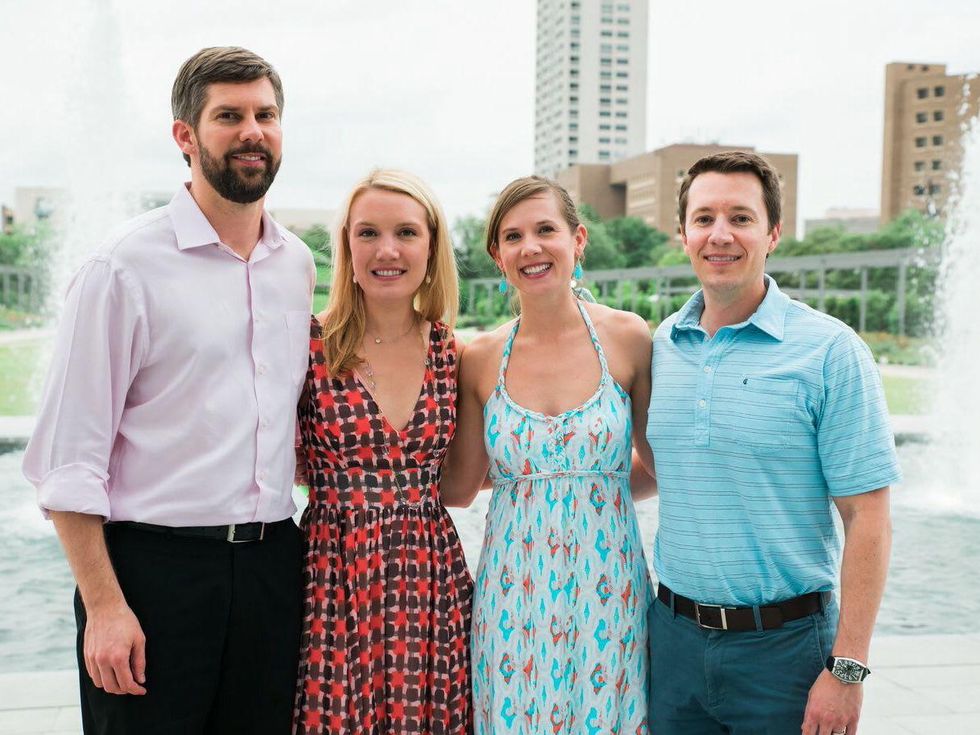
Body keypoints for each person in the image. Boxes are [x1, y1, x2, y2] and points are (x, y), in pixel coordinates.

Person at [22, 47, 316, 734]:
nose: (253, 132)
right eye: (229, 116)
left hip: (273, 568)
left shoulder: (296, 264)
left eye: (266, 114)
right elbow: (68, 461)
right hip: (153, 575)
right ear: (185, 135)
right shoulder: (121, 268)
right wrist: (104, 606)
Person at [643, 151, 900, 735]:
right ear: (683, 234)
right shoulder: (664, 346)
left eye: (741, 217)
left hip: (785, 655)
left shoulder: (831, 351)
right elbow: (663, 466)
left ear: (773, 233)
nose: (720, 235)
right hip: (673, 644)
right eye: (704, 218)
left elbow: (869, 517)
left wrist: (848, 668)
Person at [442, 176, 656, 735]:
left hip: (610, 588)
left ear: (577, 240)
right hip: (512, 593)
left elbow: (660, 465)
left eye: (545, 230)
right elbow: (460, 486)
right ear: (498, 255)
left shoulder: (629, 338)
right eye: (513, 237)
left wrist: (592, 482)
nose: (530, 247)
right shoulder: (480, 356)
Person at [292, 169, 472, 734]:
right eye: (368, 233)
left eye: (406, 233)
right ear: (347, 246)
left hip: (430, 576)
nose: (387, 250)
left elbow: (463, 481)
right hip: (332, 574)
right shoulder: (308, 344)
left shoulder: (453, 353)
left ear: (432, 247)